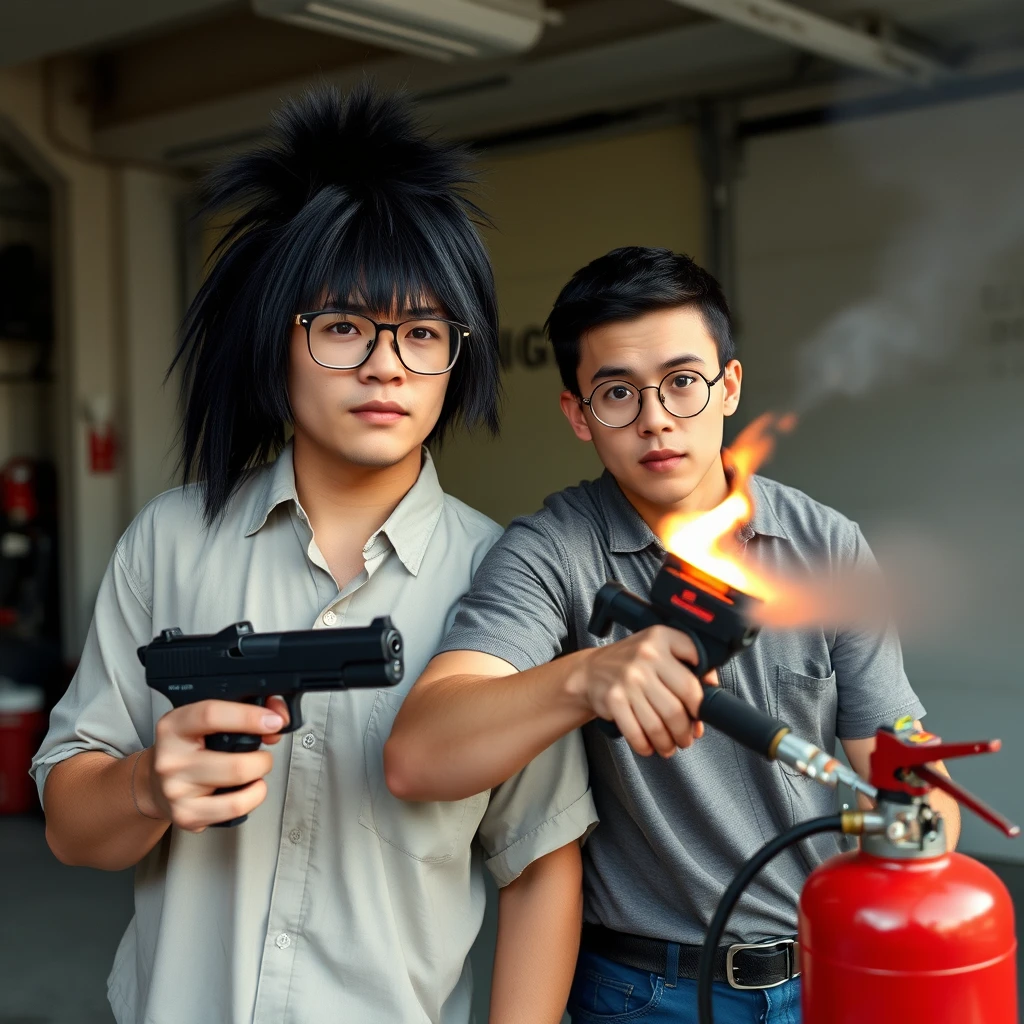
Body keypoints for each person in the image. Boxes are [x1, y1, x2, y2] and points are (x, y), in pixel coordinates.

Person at [31, 85, 596, 1024]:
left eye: (422, 334)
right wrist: (143, 784)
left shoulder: (510, 580)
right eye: (343, 328)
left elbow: (540, 863)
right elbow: (69, 828)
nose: (386, 365)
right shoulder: (168, 544)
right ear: (276, 342)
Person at [386, 246, 961, 1023]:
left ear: (728, 387)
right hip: (643, 993)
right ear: (577, 415)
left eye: (682, 382)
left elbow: (893, 751)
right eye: (616, 392)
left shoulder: (827, 547)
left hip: (828, 975)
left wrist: (923, 809)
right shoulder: (552, 551)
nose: (655, 417)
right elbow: (420, 754)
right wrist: (587, 677)